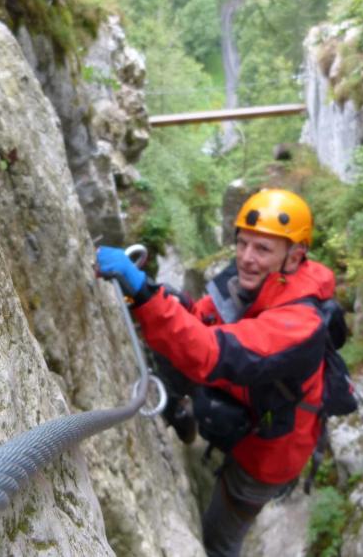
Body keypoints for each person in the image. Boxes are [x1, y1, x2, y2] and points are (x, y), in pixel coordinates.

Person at [96, 189, 336, 557]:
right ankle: (184, 418)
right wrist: (164, 298)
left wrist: (145, 295)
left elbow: (212, 352)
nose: (246, 258)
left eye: (262, 249)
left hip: (269, 456)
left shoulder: (300, 323)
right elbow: (206, 318)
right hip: (253, 411)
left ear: (295, 256)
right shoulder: (252, 279)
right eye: (242, 243)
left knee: (220, 538)